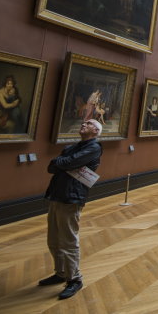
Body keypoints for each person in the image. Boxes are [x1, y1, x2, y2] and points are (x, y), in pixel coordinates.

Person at [39, 119, 103, 300]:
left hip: (72, 197)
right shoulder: (73, 147)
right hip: (56, 194)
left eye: (89, 123)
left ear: (96, 131)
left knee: (68, 240)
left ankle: (74, 279)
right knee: (53, 238)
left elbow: (65, 163)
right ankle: (60, 272)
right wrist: (64, 163)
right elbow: (52, 166)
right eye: (83, 122)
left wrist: (63, 163)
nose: (83, 124)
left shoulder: (94, 147)